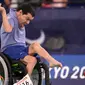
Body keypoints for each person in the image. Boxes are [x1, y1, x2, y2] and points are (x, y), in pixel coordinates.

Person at [0, 2, 62, 76]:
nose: (28, 22)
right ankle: (25, 81)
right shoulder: (10, 18)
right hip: (10, 49)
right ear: (20, 12)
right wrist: (3, 12)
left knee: (35, 45)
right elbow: (8, 29)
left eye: (30, 20)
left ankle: (51, 61)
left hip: (21, 48)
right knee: (32, 60)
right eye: (27, 19)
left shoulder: (19, 18)